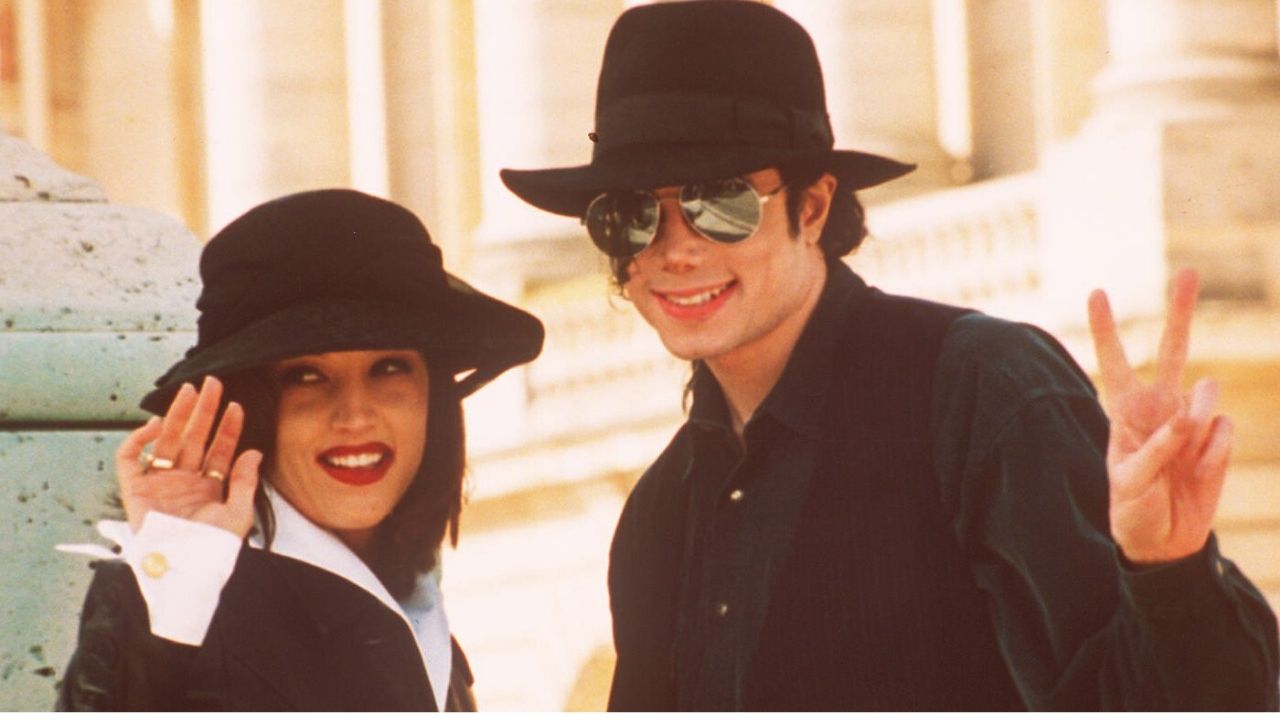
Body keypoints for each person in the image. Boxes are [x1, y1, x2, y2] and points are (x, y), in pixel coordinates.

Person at [500, 1, 1279, 711]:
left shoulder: (983, 393)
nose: (674, 251)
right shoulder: (658, 518)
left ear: (812, 205)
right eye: (631, 216)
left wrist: (1168, 572)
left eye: (720, 202)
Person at [55, 189, 544, 711]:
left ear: (434, 396)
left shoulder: (419, 611)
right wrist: (172, 581)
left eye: (389, 367)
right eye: (306, 376)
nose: (356, 415)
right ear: (252, 408)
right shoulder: (186, 606)